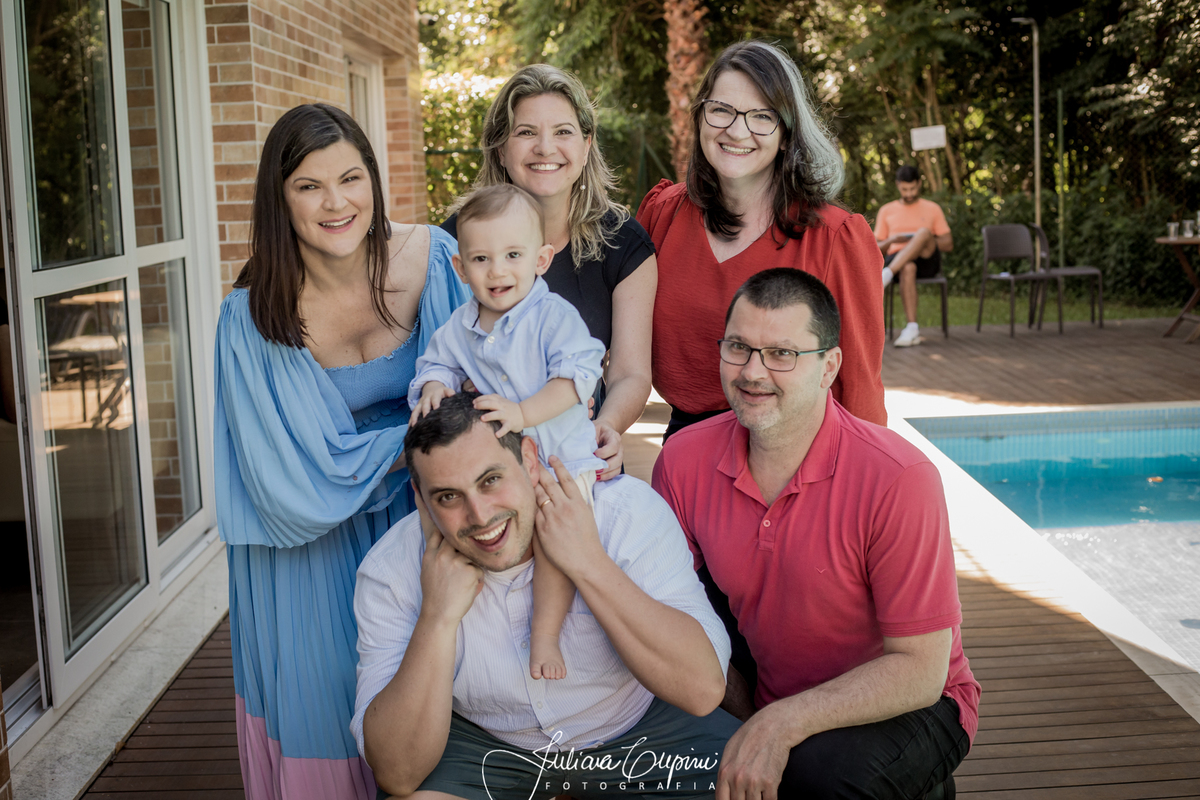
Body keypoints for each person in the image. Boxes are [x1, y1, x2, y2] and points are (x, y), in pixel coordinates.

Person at [214, 103, 471, 800]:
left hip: (422, 515)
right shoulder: (251, 315)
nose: (337, 204)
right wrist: (431, 433)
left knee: (444, 698)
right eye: (309, 186)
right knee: (330, 713)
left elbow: (494, 378)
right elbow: (287, 482)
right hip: (308, 548)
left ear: (373, 180)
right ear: (280, 199)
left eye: (350, 179)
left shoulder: (437, 258)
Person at [652, 268, 979, 799]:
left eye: (781, 354)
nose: (752, 372)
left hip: (915, 700)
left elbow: (920, 669)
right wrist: (749, 713)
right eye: (738, 347)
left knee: (815, 776)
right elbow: (669, 614)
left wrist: (780, 723)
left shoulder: (898, 477)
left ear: (829, 367)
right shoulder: (682, 461)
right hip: (770, 684)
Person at [353, 392, 740, 800]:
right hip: (488, 745)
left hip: (638, 729)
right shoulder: (391, 568)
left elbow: (702, 689)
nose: (480, 516)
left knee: (747, 781)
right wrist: (437, 618)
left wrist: (589, 563)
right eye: (448, 496)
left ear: (529, 458)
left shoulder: (623, 511)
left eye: (491, 480)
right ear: (419, 496)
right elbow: (397, 773)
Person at [637, 40, 885, 439]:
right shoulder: (661, 215)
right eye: (721, 110)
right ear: (700, 118)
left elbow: (860, 390)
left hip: (796, 449)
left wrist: (870, 470)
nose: (737, 131)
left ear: (786, 134)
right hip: (687, 446)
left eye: (761, 116)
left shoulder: (835, 239)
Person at [409, 183, 607, 681]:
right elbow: (436, 363)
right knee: (450, 519)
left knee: (553, 538)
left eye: (513, 255)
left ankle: (545, 633)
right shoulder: (460, 327)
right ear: (461, 268)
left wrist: (522, 412)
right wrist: (434, 385)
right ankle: (456, 615)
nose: (497, 271)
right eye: (482, 259)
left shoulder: (552, 317)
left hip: (560, 459)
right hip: (501, 468)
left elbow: (576, 379)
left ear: (541, 259)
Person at [440, 64, 657, 479]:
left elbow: (630, 373)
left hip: (577, 451)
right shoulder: (453, 243)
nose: (545, 148)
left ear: (586, 145)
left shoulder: (624, 243)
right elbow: (442, 358)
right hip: (483, 454)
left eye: (563, 132)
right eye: (526, 132)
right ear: (500, 150)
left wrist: (605, 427)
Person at [876, 165, 953, 347]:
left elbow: (948, 244)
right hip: (898, 260)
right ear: (898, 185)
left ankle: (886, 275)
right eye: (905, 189)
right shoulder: (886, 210)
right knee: (908, 266)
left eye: (912, 189)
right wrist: (892, 239)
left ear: (919, 184)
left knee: (924, 232)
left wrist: (920, 241)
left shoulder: (932, 208)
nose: (909, 193)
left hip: (927, 259)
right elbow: (875, 248)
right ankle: (912, 328)